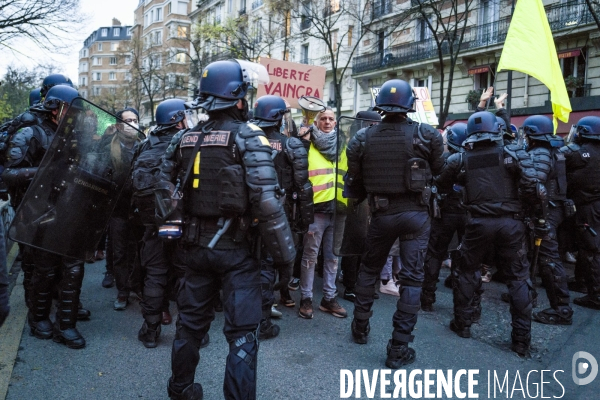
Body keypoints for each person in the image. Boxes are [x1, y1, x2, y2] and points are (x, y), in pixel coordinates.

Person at [160, 59, 296, 400]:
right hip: (237, 251)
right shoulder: (250, 137)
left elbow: (160, 186)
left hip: (193, 248)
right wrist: (285, 260)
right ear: (238, 98)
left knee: (189, 325)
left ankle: (180, 389)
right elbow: (268, 205)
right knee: (241, 334)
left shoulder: (184, 137)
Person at [345, 79, 444, 368]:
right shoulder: (427, 135)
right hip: (416, 215)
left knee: (369, 270)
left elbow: (355, 181)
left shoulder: (362, 138)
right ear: (409, 105)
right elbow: (440, 171)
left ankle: (360, 328)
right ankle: (399, 347)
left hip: (381, 214)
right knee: (412, 278)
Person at [436, 111, 538, 357]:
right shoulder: (513, 153)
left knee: (466, 271)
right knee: (518, 278)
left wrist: (463, 190)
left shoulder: (461, 158)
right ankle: (521, 340)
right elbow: (533, 186)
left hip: (478, 223)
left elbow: (441, 184)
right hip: (511, 223)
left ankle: (463, 324)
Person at [2, 85, 88, 348]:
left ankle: (67, 323)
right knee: (43, 270)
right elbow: (6, 174)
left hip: (67, 209)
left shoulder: (71, 133)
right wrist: (43, 170)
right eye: (69, 109)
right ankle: (38, 319)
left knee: (73, 268)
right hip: (36, 211)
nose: (73, 115)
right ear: (56, 108)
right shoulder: (30, 133)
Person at [251, 95, 313, 339]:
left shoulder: (245, 141)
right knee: (269, 266)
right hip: (278, 215)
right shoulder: (291, 145)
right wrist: (304, 220)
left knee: (248, 264)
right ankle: (262, 321)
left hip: (247, 215)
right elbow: (303, 187)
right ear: (279, 117)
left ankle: (247, 313)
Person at [131, 99, 189, 348]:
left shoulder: (143, 145)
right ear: (177, 120)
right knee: (187, 275)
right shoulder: (188, 144)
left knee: (155, 274)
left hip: (152, 224)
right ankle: (189, 331)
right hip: (183, 223)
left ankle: (151, 330)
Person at [518, 116, 574, 325]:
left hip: (545, 211)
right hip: (552, 209)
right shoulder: (554, 151)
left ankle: (561, 308)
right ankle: (528, 293)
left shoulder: (540, 153)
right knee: (536, 254)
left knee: (548, 259)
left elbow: (535, 185)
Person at [296, 106, 348, 319]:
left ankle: (329, 297)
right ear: (317, 122)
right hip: (316, 210)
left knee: (333, 257)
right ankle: (306, 298)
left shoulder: (343, 146)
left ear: (336, 122)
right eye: (323, 118)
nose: (327, 122)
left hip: (339, 210)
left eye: (331, 119)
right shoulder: (308, 144)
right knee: (310, 257)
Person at [97, 108, 142, 310]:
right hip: (117, 210)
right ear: (118, 125)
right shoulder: (108, 147)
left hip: (139, 210)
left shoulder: (144, 146)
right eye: (127, 120)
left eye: (135, 120)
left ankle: (136, 286)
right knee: (120, 252)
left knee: (138, 252)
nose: (132, 124)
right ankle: (123, 291)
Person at [420, 123, 468, 312]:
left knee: (434, 253)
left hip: (446, 212)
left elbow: (437, 181)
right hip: (467, 213)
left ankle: (427, 298)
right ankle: (465, 304)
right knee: (465, 257)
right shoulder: (475, 158)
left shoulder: (447, 160)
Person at [559, 116, 600, 310]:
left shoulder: (579, 153)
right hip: (594, 205)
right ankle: (582, 282)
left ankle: (595, 294)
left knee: (590, 249)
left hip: (587, 207)